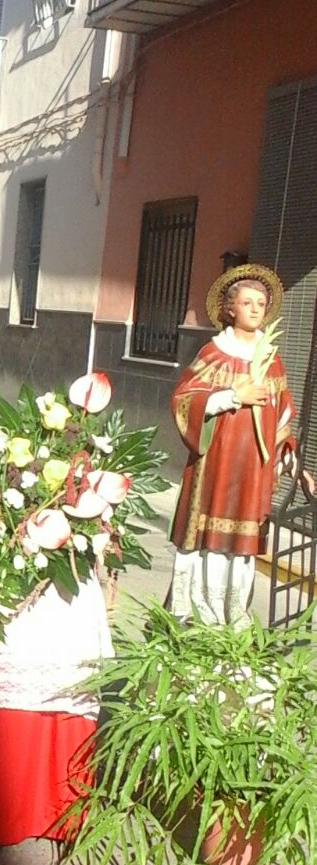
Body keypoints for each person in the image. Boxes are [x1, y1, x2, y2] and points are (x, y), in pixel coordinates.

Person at [167, 263, 310, 627]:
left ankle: (234, 615)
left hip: (252, 469)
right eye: (247, 302)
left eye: (261, 303)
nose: (255, 309)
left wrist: (294, 466)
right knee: (207, 538)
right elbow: (184, 399)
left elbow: (281, 420)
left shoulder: (270, 359)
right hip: (215, 462)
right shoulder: (214, 351)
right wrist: (232, 395)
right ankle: (196, 612)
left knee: (243, 544)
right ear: (230, 308)